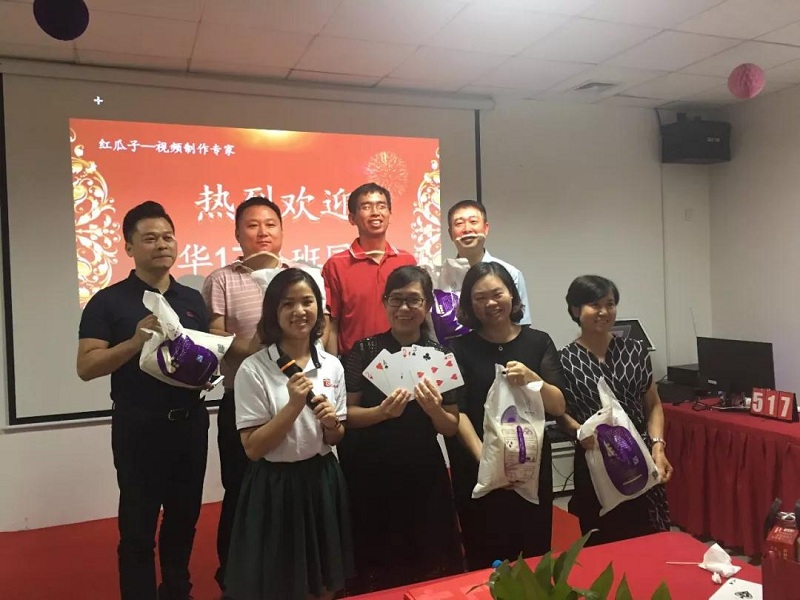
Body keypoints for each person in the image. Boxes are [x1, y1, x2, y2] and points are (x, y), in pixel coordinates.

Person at [77, 201, 209, 600]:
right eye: (150, 238)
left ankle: (177, 591)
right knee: (137, 527)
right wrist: (135, 342)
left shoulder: (192, 299)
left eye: (168, 237)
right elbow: (87, 366)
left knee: (184, 520)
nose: (162, 245)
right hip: (139, 427)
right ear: (129, 247)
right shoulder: (108, 301)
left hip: (190, 423)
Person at [224, 268, 353, 600]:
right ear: (273, 312)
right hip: (275, 485)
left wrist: (331, 425)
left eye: (307, 301)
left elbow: (335, 438)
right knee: (282, 583)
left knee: (325, 580)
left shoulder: (332, 365)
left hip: (322, 478)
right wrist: (294, 406)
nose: (299, 311)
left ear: (319, 308)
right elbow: (253, 448)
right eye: (288, 304)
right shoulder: (254, 369)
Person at [341, 266, 463, 593]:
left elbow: (451, 426)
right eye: (396, 300)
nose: (404, 308)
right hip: (372, 467)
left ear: (427, 305)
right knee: (378, 557)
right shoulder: (365, 350)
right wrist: (380, 413)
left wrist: (433, 409)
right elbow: (347, 416)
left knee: (428, 555)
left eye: (414, 300)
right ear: (384, 303)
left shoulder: (440, 355)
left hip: (423, 467)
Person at [444, 262, 566, 571]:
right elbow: (458, 412)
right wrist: (489, 461)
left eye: (497, 293)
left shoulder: (539, 342)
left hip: (530, 466)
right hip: (480, 468)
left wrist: (532, 378)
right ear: (469, 304)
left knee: (534, 555)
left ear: (512, 294)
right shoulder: (457, 348)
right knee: (485, 558)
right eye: (480, 297)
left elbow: (558, 405)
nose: (490, 303)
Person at [201, 195, 288, 592]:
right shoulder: (221, 279)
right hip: (242, 398)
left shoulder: (296, 276)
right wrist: (259, 352)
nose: (262, 232)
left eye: (270, 224)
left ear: (281, 231)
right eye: (252, 225)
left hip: (291, 398)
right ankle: (236, 575)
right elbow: (216, 337)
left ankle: (286, 568)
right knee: (240, 488)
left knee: (288, 485)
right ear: (237, 234)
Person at [558, 275, 672, 545]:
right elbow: (559, 413)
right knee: (600, 540)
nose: (604, 312)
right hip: (595, 460)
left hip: (639, 457)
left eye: (609, 304)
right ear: (575, 310)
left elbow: (653, 404)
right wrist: (577, 431)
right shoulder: (564, 360)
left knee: (647, 538)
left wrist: (658, 447)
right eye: (594, 305)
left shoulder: (635, 351)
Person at [322, 182, 416, 356]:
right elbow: (333, 324)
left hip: (402, 358)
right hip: (354, 361)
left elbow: (417, 315)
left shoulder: (406, 260)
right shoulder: (336, 264)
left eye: (381, 206)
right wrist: (334, 366)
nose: (375, 212)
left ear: (390, 214)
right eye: (366, 207)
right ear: (352, 218)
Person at [447, 200, 531, 325]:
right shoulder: (442, 277)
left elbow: (521, 324)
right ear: (450, 233)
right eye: (459, 223)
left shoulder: (510, 273)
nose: (467, 229)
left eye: (473, 222)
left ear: (486, 228)